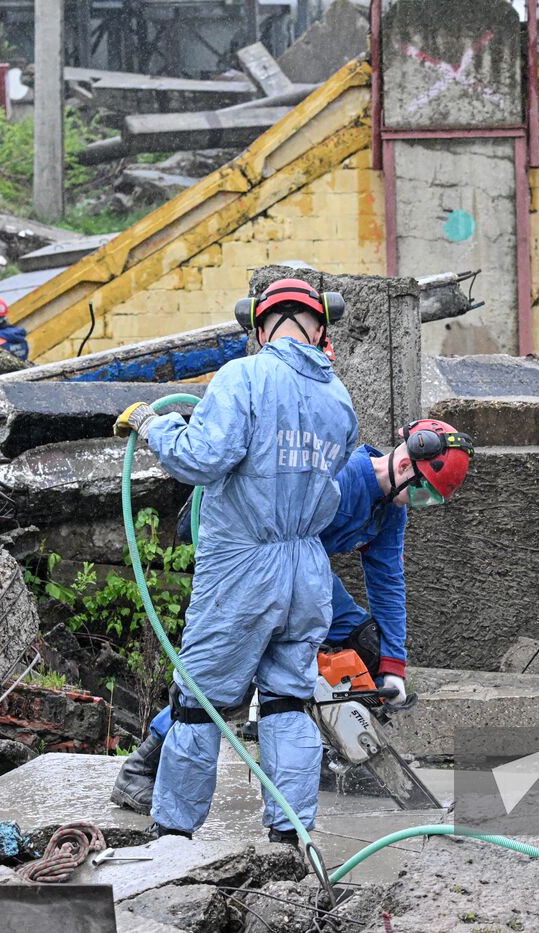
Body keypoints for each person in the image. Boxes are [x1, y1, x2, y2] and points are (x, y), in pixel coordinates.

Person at [111, 421, 473, 814]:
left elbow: (388, 583)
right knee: (234, 671)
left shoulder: (389, 511)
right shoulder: (342, 478)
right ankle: (141, 769)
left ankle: (328, 758)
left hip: (305, 576)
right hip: (251, 563)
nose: (417, 503)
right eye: (422, 495)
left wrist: (393, 667)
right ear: (405, 467)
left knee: (366, 645)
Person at [112, 277, 358, 844]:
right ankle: (290, 838)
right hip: (305, 571)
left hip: (243, 570)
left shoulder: (243, 376)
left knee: (198, 705)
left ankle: (173, 838)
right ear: (320, 326)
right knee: (288, 705)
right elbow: (332, 485)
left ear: (258, 325)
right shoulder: (338, 398)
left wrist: (154, 424)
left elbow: (203, 458)